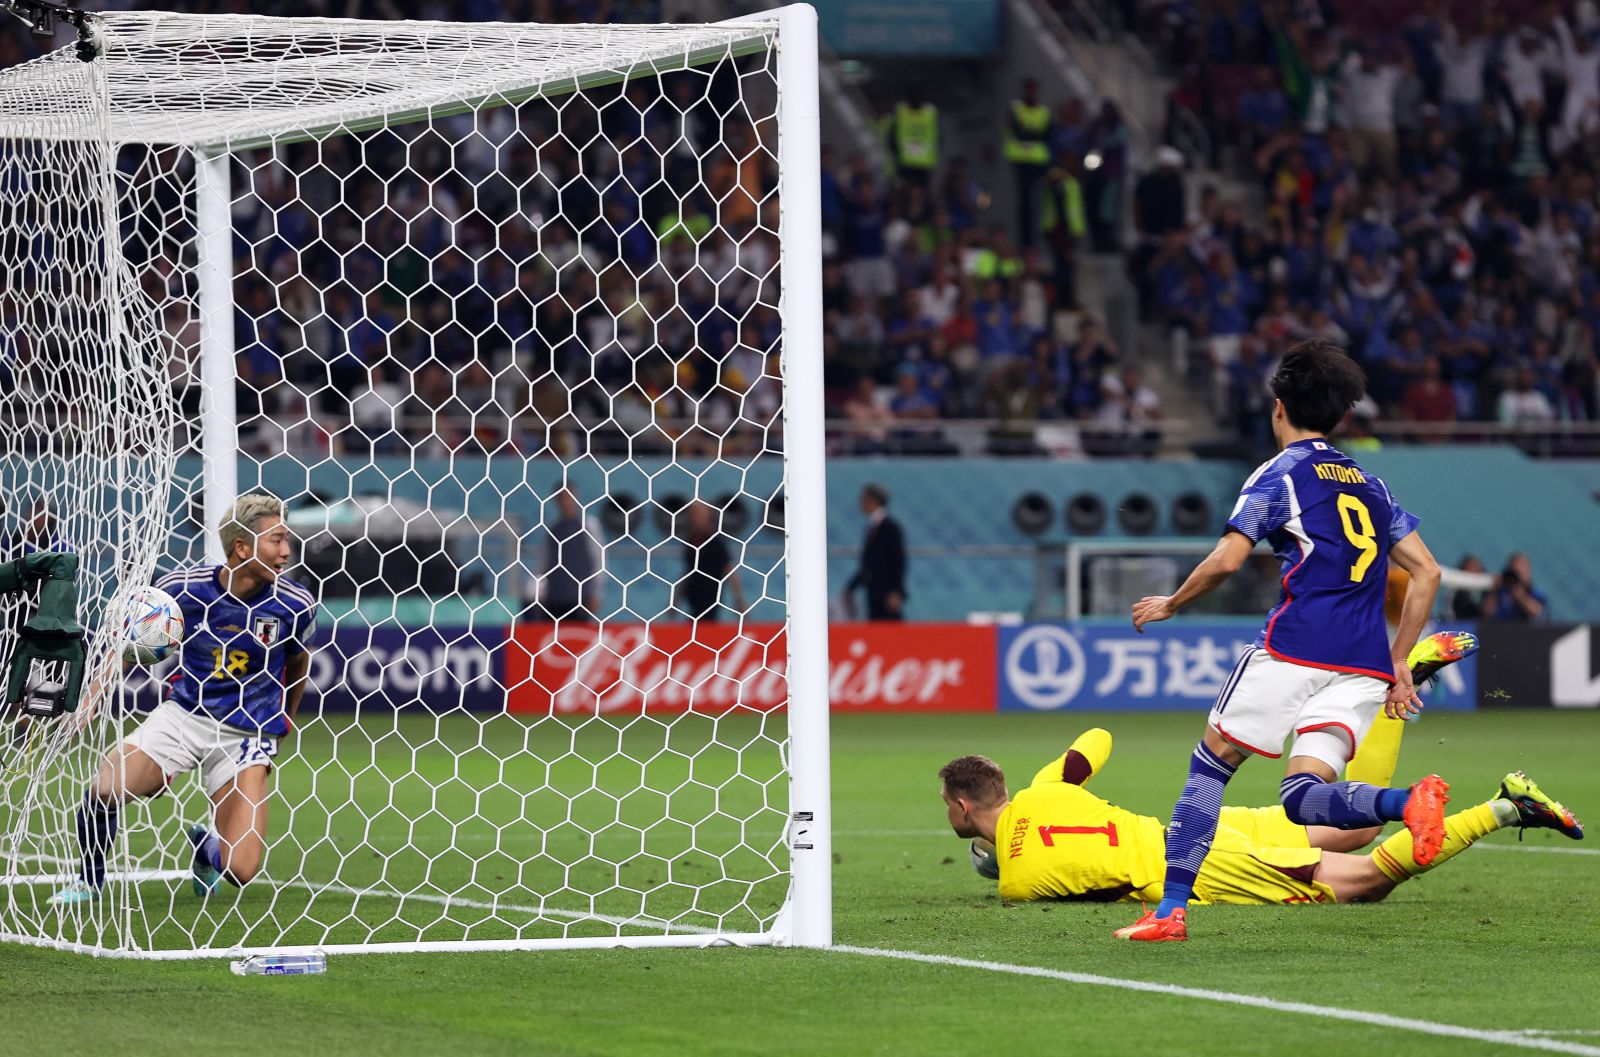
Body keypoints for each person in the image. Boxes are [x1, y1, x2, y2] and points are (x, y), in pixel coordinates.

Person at [1115, 339, 1446, 942]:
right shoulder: (1371, 485)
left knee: (1211, 765)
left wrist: (1171, 602)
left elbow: (1227, 560)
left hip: (1296, 646)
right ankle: (1408, 802)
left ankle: (1169, 912)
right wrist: (1399, 662)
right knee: (1301, 797)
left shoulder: (1280, 473)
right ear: (1340, 412)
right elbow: (1427, 570)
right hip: (1364, 664)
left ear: (1278, 407)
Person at [941, 724, 1582, 910]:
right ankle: (1398, 694)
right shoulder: (1046, 788)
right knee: (1357, 822)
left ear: (963, 807)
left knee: (1362, 880)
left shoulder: (1015, 884)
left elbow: (1086, 884)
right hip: (1193, 826)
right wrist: (1060, 780)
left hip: (1192, 865)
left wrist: (1001, 857)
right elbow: (1098, 736)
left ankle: (1506, 805)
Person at [50, 494, 318, 905]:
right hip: (184, 716)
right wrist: (87, 704)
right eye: (276, 540)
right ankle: (88, 881)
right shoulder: (183, 589)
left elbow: (298, 666)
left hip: (245, 736)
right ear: (241, 547)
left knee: (241, 870)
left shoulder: (295, 604)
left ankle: (206, 849)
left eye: (287, 540)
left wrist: (286, 721)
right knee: (104, 788)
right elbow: (126, 647)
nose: (286, 551)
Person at [525, 486, 604, 622]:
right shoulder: (553, 528)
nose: (566, 502)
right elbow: (544, 562)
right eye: (562, 498)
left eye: (568, 497)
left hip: (581, 597)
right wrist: (537, 589)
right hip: (555, 596)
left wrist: (597, 593)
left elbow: (598, 559)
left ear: (575, 497)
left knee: (577, 637)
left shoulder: (588, 525)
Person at [842, 483, 906, 621]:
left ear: (872, 501)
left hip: (886, 592)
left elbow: (897, 560)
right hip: (874, 591)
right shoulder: (873, 527)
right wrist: (851, 587)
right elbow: (869, 564)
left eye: (863, 500)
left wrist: (896, 590)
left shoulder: (889, 527)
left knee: (890, 630)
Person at [675, 500, 744, 622]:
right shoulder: (690, 541)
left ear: (708, 516)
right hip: (693, 598)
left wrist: (739, 600)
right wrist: (676, 600)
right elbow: (687, 572)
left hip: (710, 599)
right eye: (693, 514)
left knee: (705, 629)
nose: (695, 518)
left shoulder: (716, 542)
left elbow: (729, 569)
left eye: (699, 514)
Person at [1004, 79, 1052, 248]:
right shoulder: (1016, 109)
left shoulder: (1044, 112)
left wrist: (1029, 133)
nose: (1031, 93)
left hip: (1038, 163)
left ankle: (1035, 242)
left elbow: (1046, 134)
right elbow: (1019, 131)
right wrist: (1033, 133)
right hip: (1021, 161)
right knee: (1024, 204)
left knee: (1038, 204)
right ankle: (1024, 242)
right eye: (1029, 89)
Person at [1489, 552, 1548, 622]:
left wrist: (1520, 595)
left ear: (1529, 570)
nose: (1518, 576)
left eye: (1521, 571)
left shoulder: (1537, 593)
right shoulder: (1502, 591)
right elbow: (1488, 612)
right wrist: (1494, 589)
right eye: (1515, 572)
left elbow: (1539, 614)